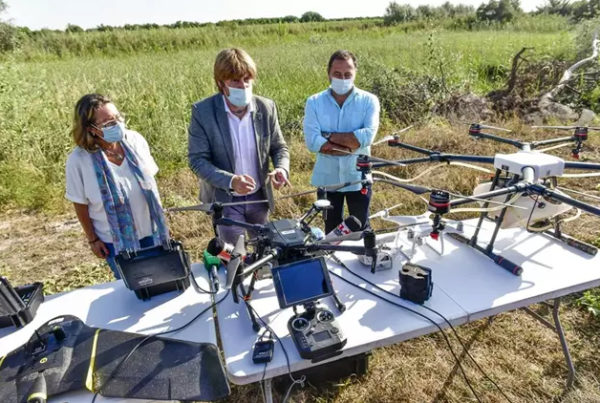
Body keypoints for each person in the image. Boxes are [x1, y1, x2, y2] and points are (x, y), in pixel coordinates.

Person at [188, 48, 290, 244]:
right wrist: (231, 181)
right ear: (220, 83)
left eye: (246, 79)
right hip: (226, 200)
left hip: (259, 197)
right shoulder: (203, 112)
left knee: (264, 250)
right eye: (235, 80)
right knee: (235, 255)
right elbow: (197, 160)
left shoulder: (266, 107)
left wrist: (281, 169)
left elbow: (279, 147)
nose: (242, 85)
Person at [65, 93, 169, 279]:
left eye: (117, 118)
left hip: (151, 232)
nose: (117, 125)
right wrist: (93, 239)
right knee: (135, 286)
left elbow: (151, 182)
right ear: (92, 129)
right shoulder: (79, 160)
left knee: (162, 279)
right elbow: (80, 204)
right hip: (116, 241)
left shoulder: (135, 140)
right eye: (107, 123)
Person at [303, 50, 380, 233]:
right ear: (328, 73)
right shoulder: (314, 102)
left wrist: (328, 136)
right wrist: (351, 142)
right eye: (337, 74)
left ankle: (362, 260)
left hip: (358, 177)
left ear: (355, 74)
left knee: (360, 227)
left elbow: (366, 137)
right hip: (328, 179)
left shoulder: (369, 101)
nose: (342, 78)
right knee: (332, 229)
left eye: (347, 74)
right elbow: (313, 142)